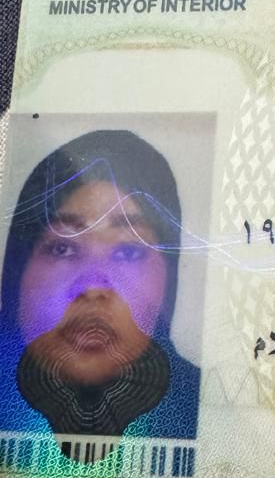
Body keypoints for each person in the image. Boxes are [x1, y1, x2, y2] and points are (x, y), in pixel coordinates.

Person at [0, 128, 200, 441]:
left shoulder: (212, 411)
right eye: (62, 248)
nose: (93, 286)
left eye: (128, 251)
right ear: (17, 268)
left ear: (169, 277)